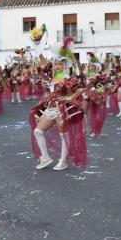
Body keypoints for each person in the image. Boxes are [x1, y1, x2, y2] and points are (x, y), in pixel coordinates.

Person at [30, 37, 86, 171]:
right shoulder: (52, 76)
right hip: (51, 108)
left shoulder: (68, 77)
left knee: (63, 135)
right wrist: (39, 49)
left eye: (60, 64)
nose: (58, 66)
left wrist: (69, 98)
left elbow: (80, 89)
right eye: (56, 63)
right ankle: (45, 157)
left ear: (65, 64)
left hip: (62, 109)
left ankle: (63, 161)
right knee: (38, 131)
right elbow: (43, 63)